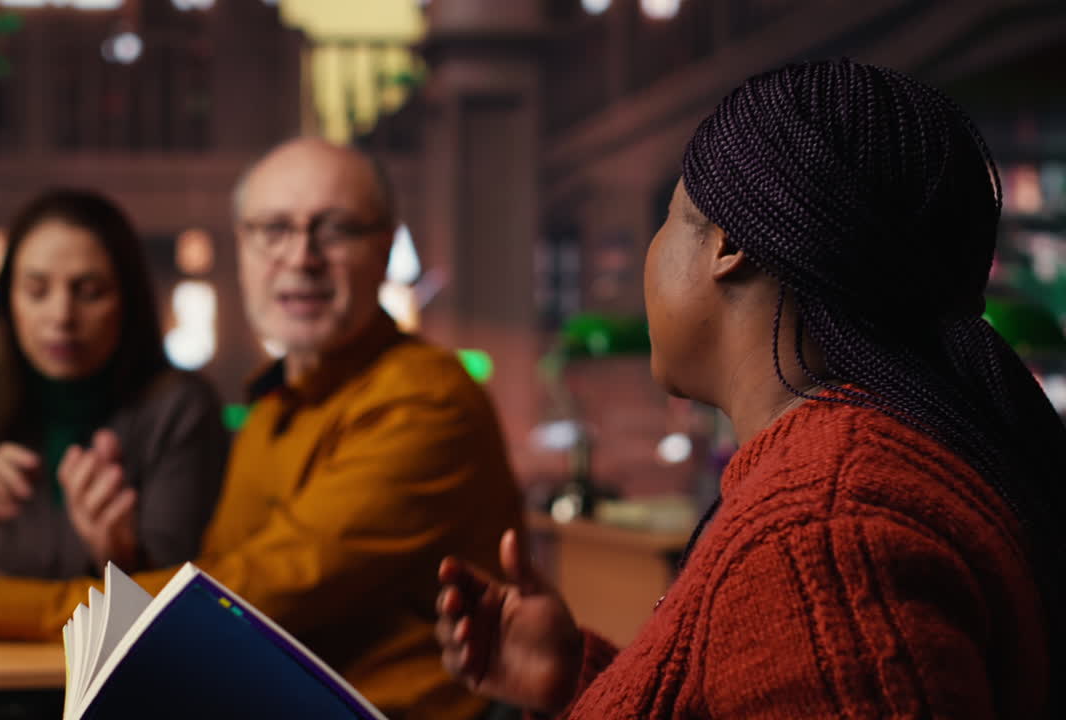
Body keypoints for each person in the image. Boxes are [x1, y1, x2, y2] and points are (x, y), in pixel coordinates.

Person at [436, 59, 1064, 719]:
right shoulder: (854, 482)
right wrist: (576, 678)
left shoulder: (820, 536)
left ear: (729, 244)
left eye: (672, 216)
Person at [0, 139, 524, 720]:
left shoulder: (423, 401)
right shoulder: (273, 407)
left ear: (384, 250)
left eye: (336, 228)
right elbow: (206, 593)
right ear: (245, 251)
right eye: (273, 230)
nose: (301, 256)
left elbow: (247, 595)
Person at [0, 189, 229, 579]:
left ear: (129, 301)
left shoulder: (178, 407)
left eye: (90, 292)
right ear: (7, 301)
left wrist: (123, 559)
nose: (61, 315)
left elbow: (188, 598)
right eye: (36, 291)